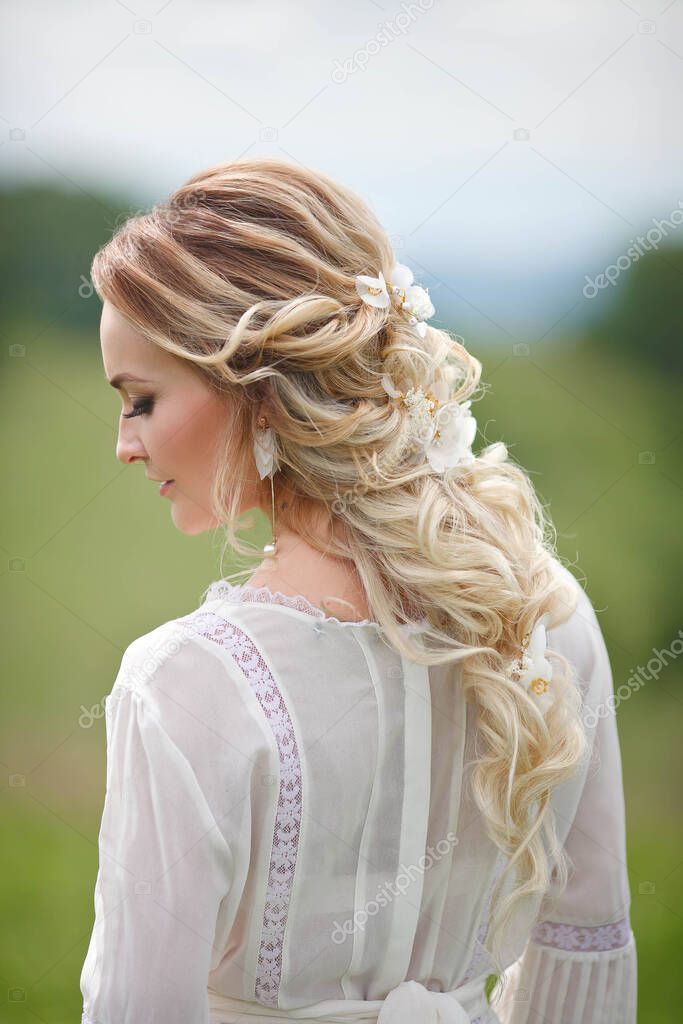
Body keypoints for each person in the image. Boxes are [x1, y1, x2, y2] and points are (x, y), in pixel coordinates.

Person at [80, 157, 636, 1023]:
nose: (124, 443)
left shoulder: (186, 683)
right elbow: (584, 948)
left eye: (141, 399)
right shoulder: (542, 612)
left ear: (256, 392)